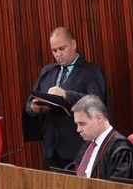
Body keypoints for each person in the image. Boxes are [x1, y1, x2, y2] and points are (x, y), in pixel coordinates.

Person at [23, 27, 107, 170]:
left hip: (78, 147)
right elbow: (30, 102)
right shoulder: (48, 71)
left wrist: (66, 95)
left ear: (73, 44)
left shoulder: (90, 72)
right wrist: (33, 108)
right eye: (54, 50)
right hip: (51, 148)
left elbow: (97, 102)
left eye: (62, 49)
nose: (58, 54)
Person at [71, 95, 133, 181]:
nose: (78, 130)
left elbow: (120, 186)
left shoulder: (121, 149)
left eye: (82, 124)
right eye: (77, 124)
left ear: (99, 118)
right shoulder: (88, 146)